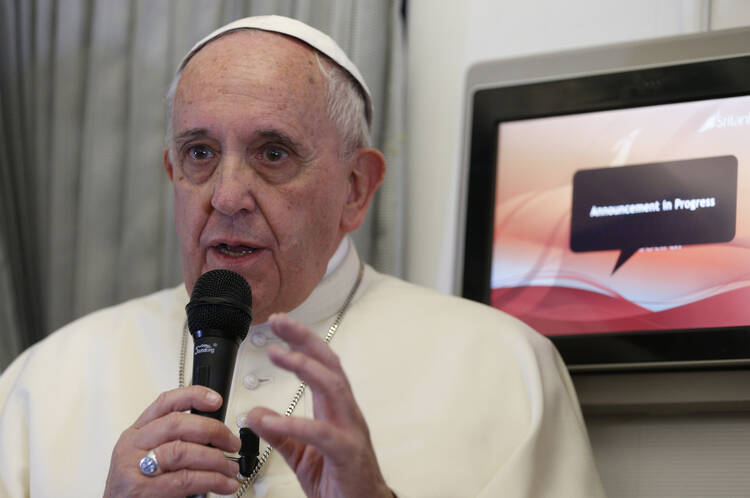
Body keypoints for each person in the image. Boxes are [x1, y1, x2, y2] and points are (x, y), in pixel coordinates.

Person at [0, 15, 605, 498]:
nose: (228, 196)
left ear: (355, 189)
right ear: (172, 172)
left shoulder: (503, 369)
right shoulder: (41, 383)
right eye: (201, 152)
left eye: (273, 154)